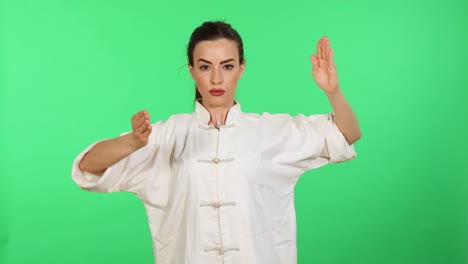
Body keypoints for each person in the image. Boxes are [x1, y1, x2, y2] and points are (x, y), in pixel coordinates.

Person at [72, 21, 361, 264]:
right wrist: (134, 143)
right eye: (205, 66)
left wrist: (333, 93)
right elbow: (87, 167)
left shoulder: (273, 132)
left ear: (241, 68)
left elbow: (346, 134)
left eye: (227, 65)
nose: (217, 78)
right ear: (191, 71)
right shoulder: (166, 136)